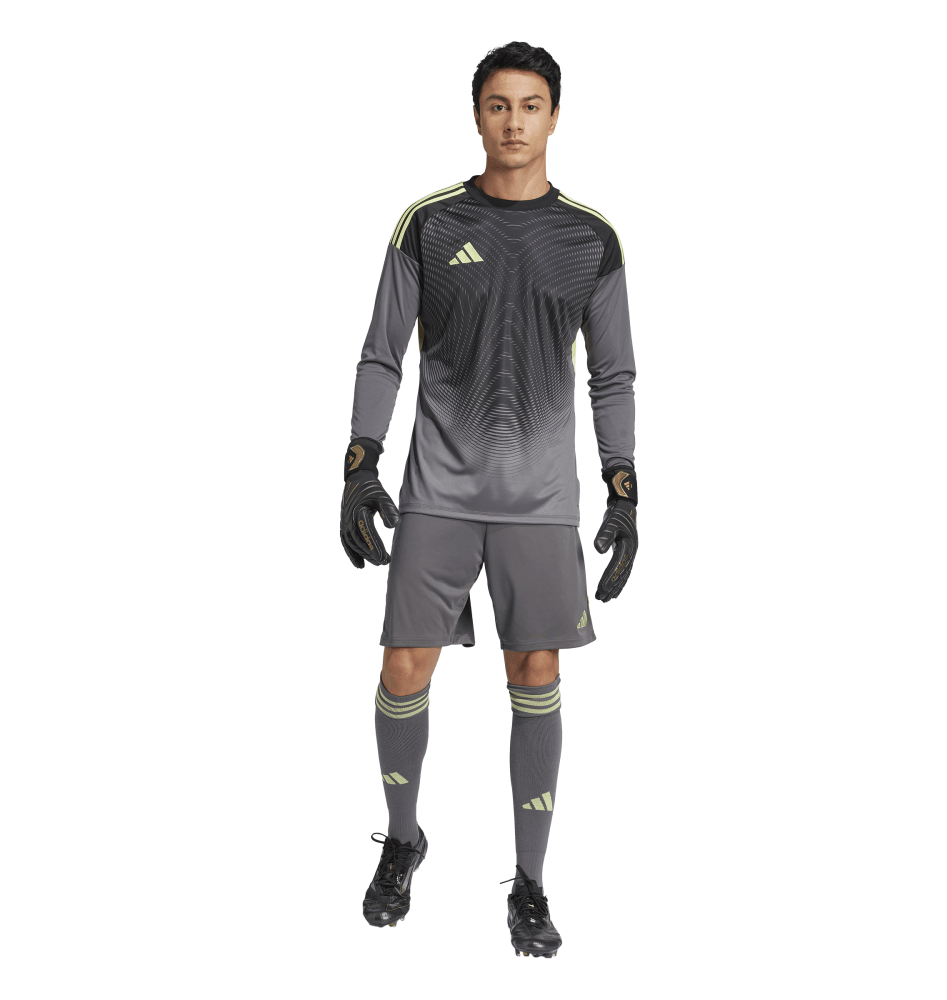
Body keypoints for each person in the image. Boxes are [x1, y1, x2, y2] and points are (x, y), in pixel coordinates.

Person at [341, 41, 637, 958]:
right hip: (438, 490)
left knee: (535, 676)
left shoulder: (590, 239)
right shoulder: (429, 224)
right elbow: (383, 352)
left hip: (540, 501)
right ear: (477, 115)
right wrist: (359, 461)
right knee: (403, 670)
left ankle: (532, 884)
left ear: (556, 117)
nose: (514, 121)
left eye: (531, 105)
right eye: (498, 105)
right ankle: (403, 840)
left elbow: (614, 374)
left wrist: (624, 485)